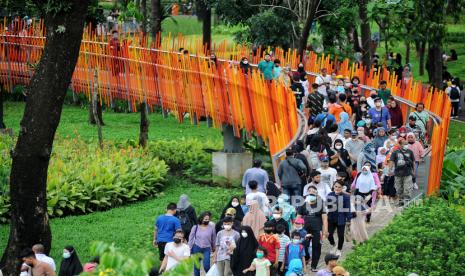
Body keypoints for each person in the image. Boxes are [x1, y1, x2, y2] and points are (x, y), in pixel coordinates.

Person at [297, 185, 328, 272]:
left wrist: (325, 230)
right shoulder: (303, 204)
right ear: (307, 193)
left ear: (316, 193)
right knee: (304, 245)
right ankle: (306, 260)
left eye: (313, 191)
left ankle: (314, 266)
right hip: (305, 229)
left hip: (317, 229)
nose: (311, 192)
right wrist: (296, 228)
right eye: (309, 191)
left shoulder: (320, 203)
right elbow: (298, 217)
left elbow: (324, 218)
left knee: (316, 247)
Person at [326, 182, 351, 257]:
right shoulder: (330, 195)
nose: (337, 188)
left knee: (340, 235)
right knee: (329, 234)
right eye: (336, 186)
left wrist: (349, 219)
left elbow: (347, 208)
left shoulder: (346, 196)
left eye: (339, 187)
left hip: (341, 218)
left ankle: (339, 249)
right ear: (333, 186)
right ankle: (333, 245)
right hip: (331, 217)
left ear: (342, 188)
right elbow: (327, 206)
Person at [189, 212, 216, 276]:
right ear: (201, 219)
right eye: (205, 219)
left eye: (208, 219)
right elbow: (191, 238)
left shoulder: (211, 227)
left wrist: (214, 247)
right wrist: (189, 248)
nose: (207, 221)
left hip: (207, 249)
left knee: (206, 266)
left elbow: (213, 238)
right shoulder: (195, 227)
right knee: (196, 267)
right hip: (196, 247)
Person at [389, 139, 415, 206]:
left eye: (407, 144)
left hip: (408, 173)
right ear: (400, 145)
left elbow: (413, 162)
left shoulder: (410, 152)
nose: (406, 145)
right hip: (398, 173)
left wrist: (414, 171)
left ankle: (407, 202)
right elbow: (391, 161)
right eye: (404, 144)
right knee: (399, 189)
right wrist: (390, 170)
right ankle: (401, 201)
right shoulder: (395, 152)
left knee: (407, 188)